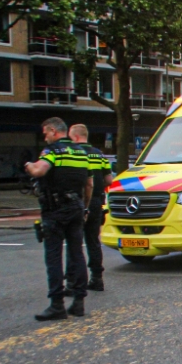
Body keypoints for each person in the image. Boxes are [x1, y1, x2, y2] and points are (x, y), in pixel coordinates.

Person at [25, 117, 93, 321]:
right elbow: (89, 184)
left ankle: (57, 305)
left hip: (55, 210)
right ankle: (79, 302)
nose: (45, 137)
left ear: (54, 131)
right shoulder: (82, 152)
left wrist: (28, 164)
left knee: (53, 257)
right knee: (77, 253)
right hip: (76, 208)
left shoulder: (52, 151)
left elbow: (39, 171)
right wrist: (85, 207)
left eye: (46, 133)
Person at [69, 124, 113, 291]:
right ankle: (97, 277)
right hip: (96, 202)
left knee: (74, 242)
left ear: (75, 137)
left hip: (79, 202)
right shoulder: (99, 154)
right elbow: (109, 180)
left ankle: (74, 281)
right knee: (93, 241)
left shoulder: (74, 153)